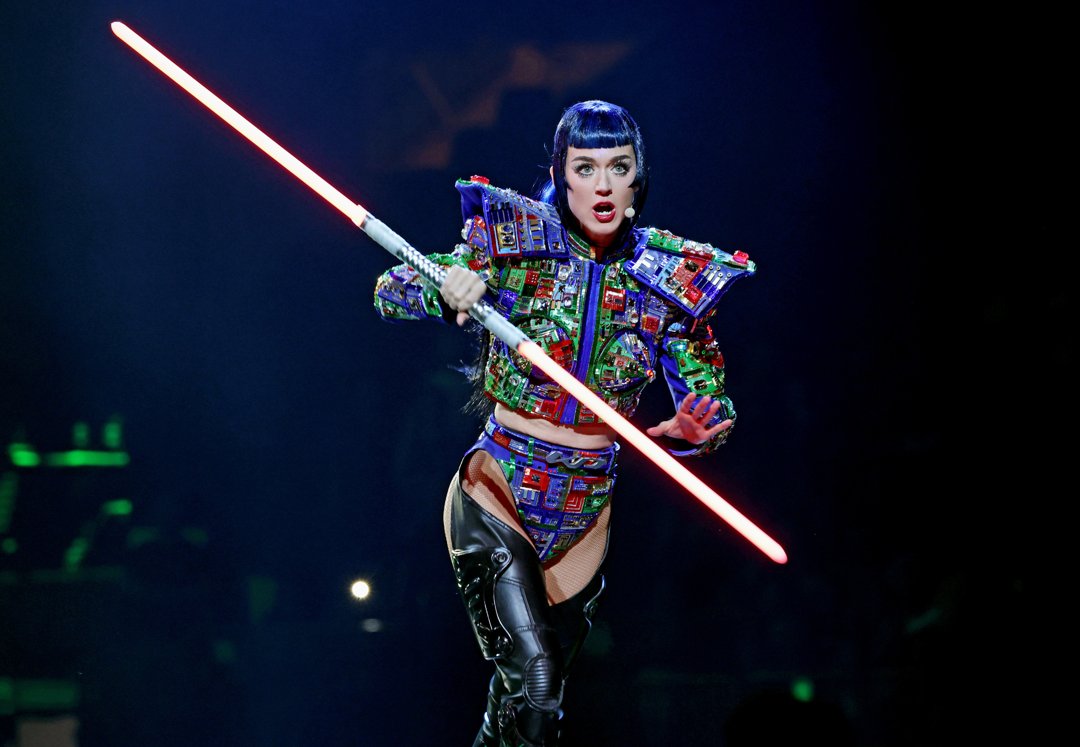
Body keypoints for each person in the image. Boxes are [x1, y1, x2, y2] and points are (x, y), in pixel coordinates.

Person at [373, 100, 756, 746]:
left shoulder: (665, 283)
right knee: (536, 679)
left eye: (618, 168)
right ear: (562, 174)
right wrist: (448, 287)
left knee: (534, 714)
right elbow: (390, 291)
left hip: (586, 508)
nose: (603, 185)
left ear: (638, 179)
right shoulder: (516, 246)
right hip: (499, 486)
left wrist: (699, 431)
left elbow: (711, 404)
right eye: (586, 168)